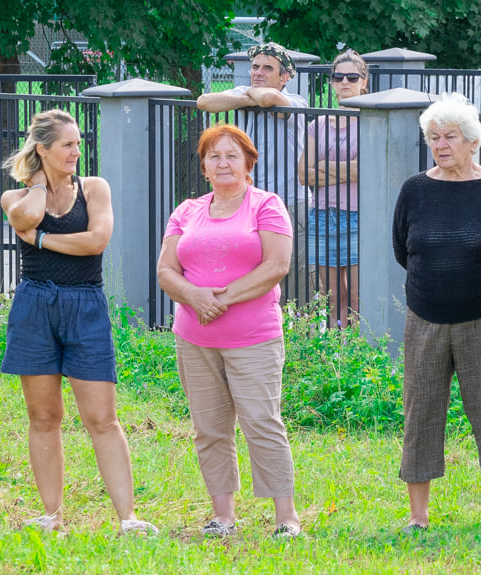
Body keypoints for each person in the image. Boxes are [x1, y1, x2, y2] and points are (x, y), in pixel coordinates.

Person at [0, 109, 156, 535]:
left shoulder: (94, 189)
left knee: (102, 417)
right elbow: (26, 219)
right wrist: (35, 181)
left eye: (79, 143)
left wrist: (46, 241)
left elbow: (95, 242)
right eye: (67, 144)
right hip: (35, 306)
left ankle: (128, 518)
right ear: (42, 149)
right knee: (43, 416)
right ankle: (52, 516)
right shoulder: (15, 197)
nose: (76, 151)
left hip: (86, 305)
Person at [157, 123, 302, 539]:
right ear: (203, 166)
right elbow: (167, 271)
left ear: (247, 164)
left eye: (231, 155)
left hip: (253, 337)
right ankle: (222, 516)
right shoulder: (186, 211)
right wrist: (195, 297)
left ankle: (286, 519)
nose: (222, 162)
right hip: (194, 338)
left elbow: (276, 266)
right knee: (210, 428)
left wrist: (221, 299)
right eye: (213, 156)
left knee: (261, 421)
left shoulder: (266, 205)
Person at [392, 94, 481, 532]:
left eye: (449, 136)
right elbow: (403, 249)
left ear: (473, 141)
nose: (440, 145)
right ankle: (417, 517)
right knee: (420, 412)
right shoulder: (415, 189)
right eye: (433, 137)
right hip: (423, 316)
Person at [196, 42, 310, 305]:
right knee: (250, 271)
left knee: (294, 277)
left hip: (290, 202)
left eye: (267, 68)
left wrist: (247, 97)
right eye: (255, 66)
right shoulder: (247, 92)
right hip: (247, 204)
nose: (258, 72)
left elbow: (271, 100)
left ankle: (300, 334)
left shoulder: (295, 101)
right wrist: (249, 96)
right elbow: (205, 102)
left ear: (284, 78)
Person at [297, 49, 367, 327]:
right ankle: (339, 348)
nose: (345, 82)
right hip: (323, 216)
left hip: (358, 216)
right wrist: (346, 170)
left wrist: (324, 165)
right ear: (332, 83)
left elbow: (363, 171)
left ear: (364, 81)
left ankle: (361, 351)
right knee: (333, 295)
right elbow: (304, 175)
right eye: (338, 77)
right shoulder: (319, 124)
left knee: (358, 295)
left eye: (352, 76)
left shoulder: (368, 121)